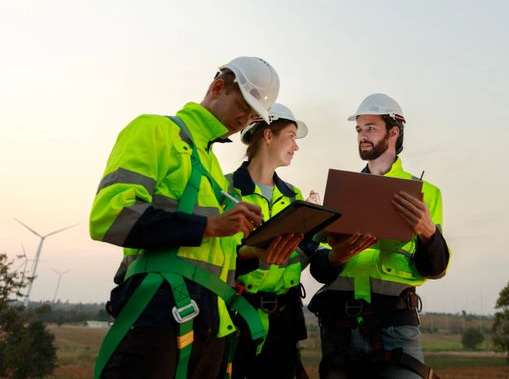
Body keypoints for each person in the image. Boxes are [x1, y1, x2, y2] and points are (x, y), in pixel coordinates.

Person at [89, 56, 281, 379]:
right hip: (158, 315)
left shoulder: (215, 172)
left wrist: (254, 253)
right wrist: (210, 226)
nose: (244, 120)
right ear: (217, 88)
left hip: (212, 325)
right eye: (243, 106)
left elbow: (207, 257)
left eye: (252, 116)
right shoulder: (155, 130)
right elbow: (110, 216)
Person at [309, 93, 450, 379]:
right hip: (340, 328)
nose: (362, 135)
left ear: (393, 132)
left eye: (370, 128)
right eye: (359, 129)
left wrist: (428, 232)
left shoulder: (425, 193)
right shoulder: (342, 191)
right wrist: (336, 257)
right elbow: (319, 269)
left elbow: (436, 268)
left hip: (395, 326)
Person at [227, 104, 318, 379]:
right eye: (291, 136)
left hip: (284, 327)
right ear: (268, 135)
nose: (296, 146)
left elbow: (300, 255)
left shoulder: (295, 198)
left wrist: (316, 229)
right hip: (236, 322)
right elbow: (214, 257)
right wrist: (249, 253)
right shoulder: (225, 190)